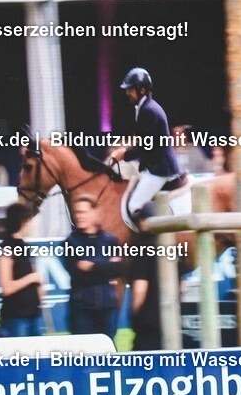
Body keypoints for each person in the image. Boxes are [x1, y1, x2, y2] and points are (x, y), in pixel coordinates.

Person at [108, 67, 182, 220]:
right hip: (153, 165)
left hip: (160, 169)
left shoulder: (149, 110)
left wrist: (124, 154)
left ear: (141, 90)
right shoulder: (144, 107)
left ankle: (157, 231)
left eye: (130, 89)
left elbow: (145, 146)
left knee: (133, 205)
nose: (127, 93)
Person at [63, 196, 124, 339]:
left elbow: (119, 269)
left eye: (83, 212)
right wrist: (107, 266)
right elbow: (78, 275)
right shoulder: (70, 242)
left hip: (108, 307)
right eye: (77, 212)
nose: (79, 216)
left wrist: (92, 266)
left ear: (95, 213)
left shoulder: (110, 241)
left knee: (108, 348)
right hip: (82, 308)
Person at [0, 203, 43, 337]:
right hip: (16, 317)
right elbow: (6, 287)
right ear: (23, 222)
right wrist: (31, 278)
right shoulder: (7, 248)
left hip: (33, 314)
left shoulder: (24, 246)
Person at [129, 204, 162, 351]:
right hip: (170, 318)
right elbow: (182, 286)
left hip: (148, 321)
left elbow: (140, 289)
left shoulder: (142, 249)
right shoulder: (173, 248)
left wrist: (135, 313)